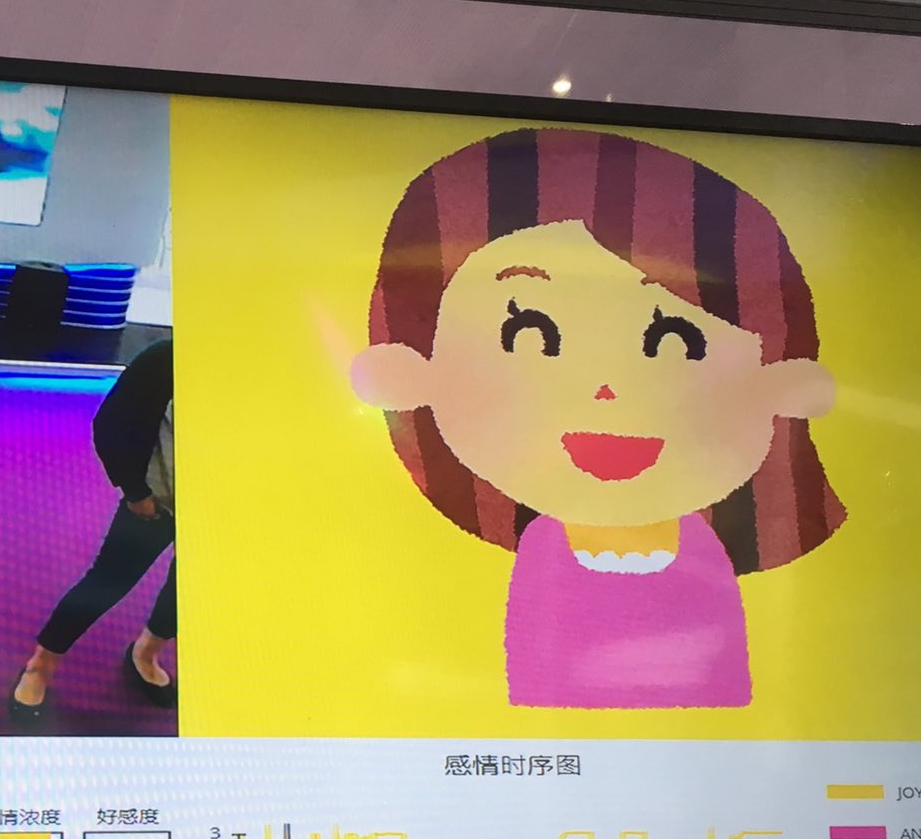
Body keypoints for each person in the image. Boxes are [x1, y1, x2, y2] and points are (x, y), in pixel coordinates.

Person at [351, 127, 842, 710]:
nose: (606, 389)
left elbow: (725, 692)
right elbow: (533, 692)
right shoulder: (528, 560)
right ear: (412, 371)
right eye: (532, 335)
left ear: (781, 382)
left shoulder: (705, 557)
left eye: (675, 342)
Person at [11, 338, 176, 724]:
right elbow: (110, 425)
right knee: (108, 582)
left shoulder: (270, 370)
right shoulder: (167, 358)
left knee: (186, 591)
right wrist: (135, 491)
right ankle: (40, 665)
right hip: (156, 504)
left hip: (223, 513)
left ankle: (146, 652)